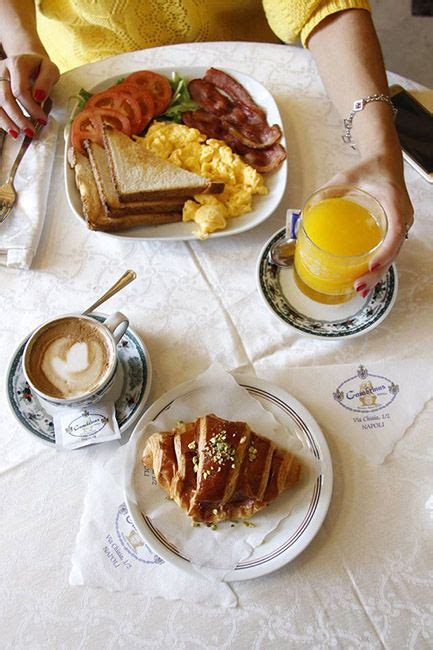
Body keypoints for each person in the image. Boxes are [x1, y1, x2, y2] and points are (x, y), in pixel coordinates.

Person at [0, 1, 413, 294]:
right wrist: (22, 44)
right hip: (83, 63)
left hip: (248, 55)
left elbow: (323, 5)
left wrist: (379, 152)